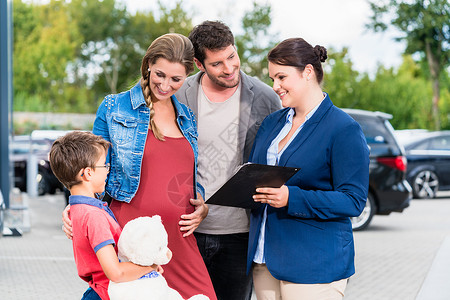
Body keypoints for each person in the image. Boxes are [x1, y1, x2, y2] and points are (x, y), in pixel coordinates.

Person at [63, 33, 216, 300]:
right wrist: (75, 207)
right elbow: (91, 169)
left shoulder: (187, 118)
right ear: (147, 65)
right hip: (132, 238)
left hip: (178, 239)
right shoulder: (114, 108)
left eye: (176, 79)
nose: (165, 85)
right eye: (159, 74)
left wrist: (201, 205)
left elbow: (187, 173)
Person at [248, 38, 370, 299]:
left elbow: (353, 201)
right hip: (265, 259)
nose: (275, 86)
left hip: (314, 264)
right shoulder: (271, 124)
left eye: (281, 77)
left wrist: (292, 198)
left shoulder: (343, 128)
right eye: (272, 78)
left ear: (308, 72)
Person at [174, 21, 281, 300]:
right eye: (218, 63)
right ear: (199, 64)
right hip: (187, 228)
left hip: (240, 232)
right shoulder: (178, 95)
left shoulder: (266, 98)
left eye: (232, 56)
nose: (230, 67)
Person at [49, 131, 160, 300]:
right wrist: (150, 267)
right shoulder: (94, 216)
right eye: (104, 165)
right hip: (105, 293)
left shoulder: (78, 209)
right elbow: (115, 272)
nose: (107, 170)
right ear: (88, 173)